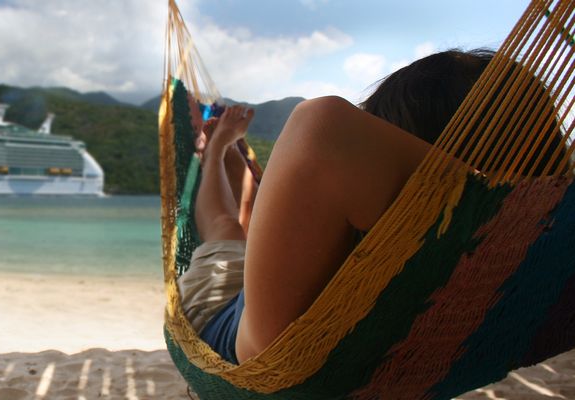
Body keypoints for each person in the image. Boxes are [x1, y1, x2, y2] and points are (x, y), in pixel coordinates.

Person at [177, 48, 569, 364]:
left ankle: (216, 152)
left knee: (226, 229)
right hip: (277, 284)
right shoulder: (546, 246)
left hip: (226, 321)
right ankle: (224, 152)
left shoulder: (401, 225)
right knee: (242, 219)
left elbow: (322, 126)